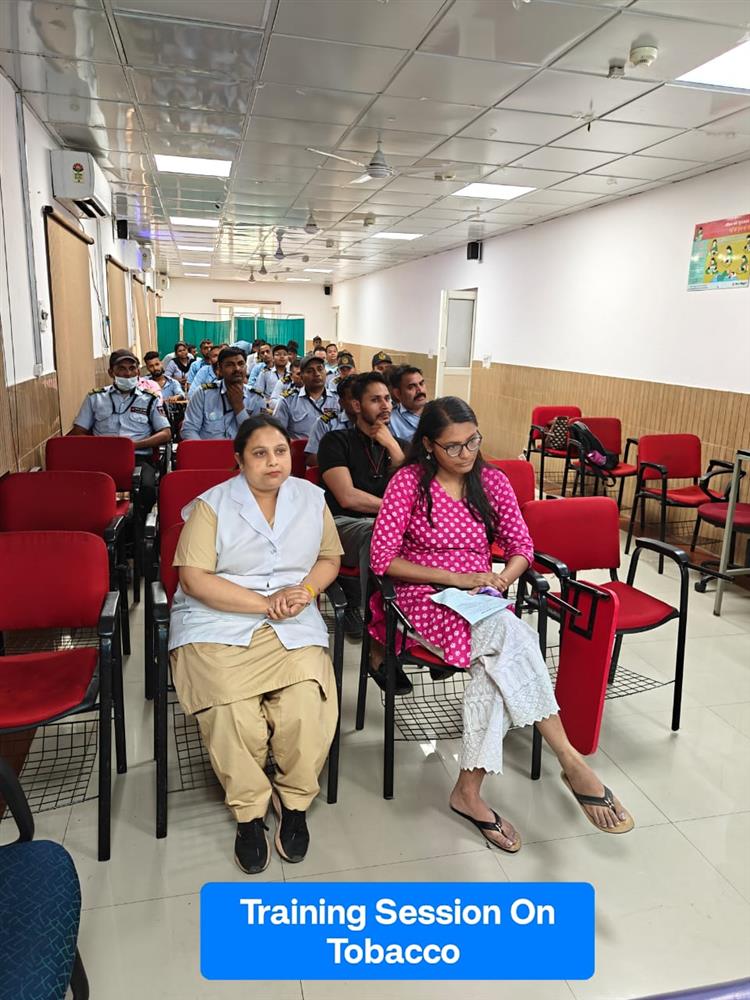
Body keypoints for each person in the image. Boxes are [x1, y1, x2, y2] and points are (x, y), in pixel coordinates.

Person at [368, 396, 634, 849]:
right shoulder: (408, 484)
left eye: (473, 441)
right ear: (428, 445)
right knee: (512, 636)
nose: (466, 453)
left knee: (493, 667)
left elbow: (520, 547)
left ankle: (468, 793)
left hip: (480, 599)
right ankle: (570, 759)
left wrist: (501, 579)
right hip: (422, 596)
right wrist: (456, 578)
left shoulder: (491, 481)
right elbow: (382, 560)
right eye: (453, 446)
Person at [169, 414, 342, 873]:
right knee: (232, 712)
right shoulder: (212, 506)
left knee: (306, 705)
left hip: (292, 616)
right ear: (239, 460)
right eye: (259, 454)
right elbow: (194, 578)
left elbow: (329, 557)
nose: (273, 462)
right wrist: (263, 603)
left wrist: (305, 591)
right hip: (218, 619)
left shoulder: (311, 499)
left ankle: (295, 802)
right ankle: (249, 812)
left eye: (280, 451)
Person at [317, 372, 407, 637]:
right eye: (376, 400)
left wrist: (393, 447)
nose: (385, 406)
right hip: (342, 526)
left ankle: (418, 612)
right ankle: (377, 621)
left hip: (389, 524)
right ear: (356, 405)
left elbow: (413, 494)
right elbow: (347, 497)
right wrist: (394, 510)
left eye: (388, 399)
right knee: (375, 534)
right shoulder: (336, 441)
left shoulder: (400, 447)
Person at [71, 348, 171, 508]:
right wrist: (94, 447)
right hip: (101, 457)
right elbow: (79, 432)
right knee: (80, 488)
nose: (128, 373)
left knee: (147, 488)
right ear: (111, 372)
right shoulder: (95, 398)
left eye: (132, 369)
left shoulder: (149, 399)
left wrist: (134, 445)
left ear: (138, 372)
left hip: (136, 457)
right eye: (121, 369)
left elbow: (165, 433)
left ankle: (140, 523)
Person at [181, 347, 266, 440]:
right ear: (220, 369)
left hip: (242, 449)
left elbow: (258, 436)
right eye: (230, 365)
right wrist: (203, 448)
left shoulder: (256, 397)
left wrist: (239, 407)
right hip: (209, 448)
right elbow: (189, 429)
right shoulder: (203, 393)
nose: (237, 369)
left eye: (241, 364)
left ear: (246, 367)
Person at [272, 355, 338, 440]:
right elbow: (277, 434)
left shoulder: (337, 399)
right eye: (310, 371)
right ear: (301, 376)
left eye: (320, 369)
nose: (317, 374)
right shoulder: (288, 401)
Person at [305, 373, 357, 467]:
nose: (358, 402)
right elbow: (312, 458)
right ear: (341, 403)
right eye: (352, 398)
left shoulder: (376, 423)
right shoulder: (326, 423)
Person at [388, 365, 428, 442]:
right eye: (411, 387)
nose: (420, 390)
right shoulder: (391, 421)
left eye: (421, 384)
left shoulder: (438, 411)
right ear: (397, 393)